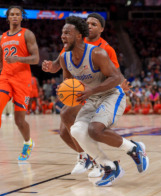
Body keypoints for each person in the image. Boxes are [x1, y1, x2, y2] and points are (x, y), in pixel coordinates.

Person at [59, 16, 149, 186]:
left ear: (78, 35)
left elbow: (116, 78)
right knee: (76, 130)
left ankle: (134, 149)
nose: (63, 36)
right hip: (92, 97)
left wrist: (91, 90)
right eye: (62, 33)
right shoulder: (65, 58)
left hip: (111, 95)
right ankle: (109, 167)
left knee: (95, 130)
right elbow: (69, 84)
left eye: (67, 33)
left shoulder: (97, 53)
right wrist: (64, 92)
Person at [42, 13, 121, 178]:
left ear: (101, 29)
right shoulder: (71, 43)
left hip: (96, 93)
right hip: (77, 90)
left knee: (67, 115)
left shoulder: (105, 49)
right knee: (64, 132)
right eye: (88, 23)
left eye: (94, 24)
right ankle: (90, 158)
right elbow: (58, 66)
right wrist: (50, 67)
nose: (90, 26)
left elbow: (114, 75)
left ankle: (92, 159)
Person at [0, 5, 39, 164]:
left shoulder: (28, 34)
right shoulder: (1, 38)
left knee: (19, 121)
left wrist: (19, 59)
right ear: (7, 18)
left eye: (17, 14)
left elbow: (36, 59)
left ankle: (28, 142)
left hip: (22, 80)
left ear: (21, 17)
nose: (14, 17)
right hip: (5, 78)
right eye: (11, 14)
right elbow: (0, 63)